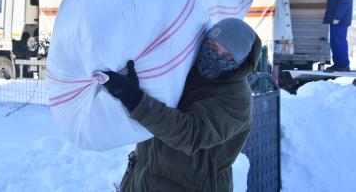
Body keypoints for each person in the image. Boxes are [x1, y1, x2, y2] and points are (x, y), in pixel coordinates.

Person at [103, 18, 261, 192]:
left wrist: (135, 99)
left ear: (240, 63)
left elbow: (190, 134)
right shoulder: (186, 66)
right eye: (213, 47)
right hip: (142, 178)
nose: (215, 57)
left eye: (227, 56)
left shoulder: (237, 100)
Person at [323, 0, 355, 72]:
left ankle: (343, 64)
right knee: (335, 42)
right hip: (336, 20)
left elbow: (344, 3)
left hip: (340, 21)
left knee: (339, 41)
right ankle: (339, 64)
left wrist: (337, 17)